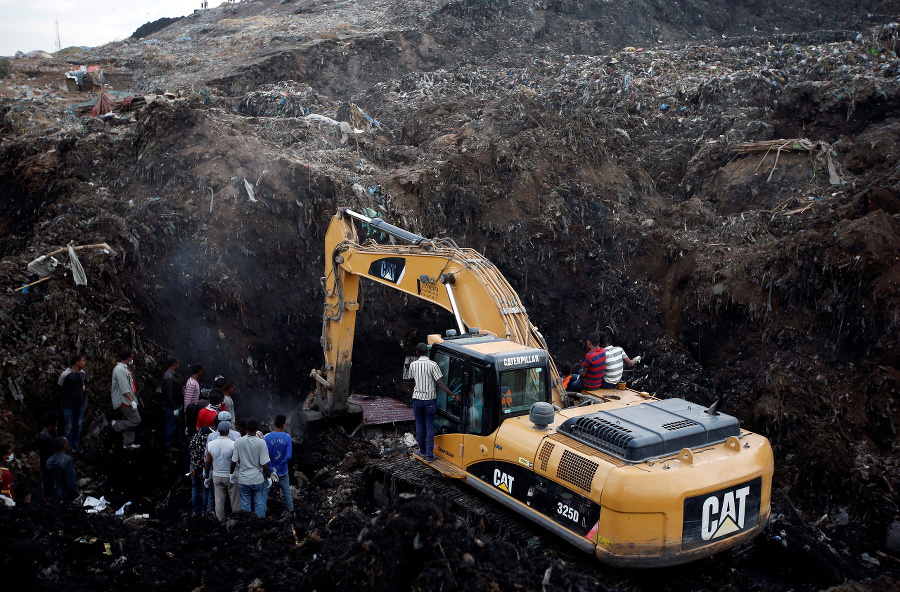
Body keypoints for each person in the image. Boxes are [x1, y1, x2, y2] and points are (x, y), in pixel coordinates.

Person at [409, 343, 455, 462]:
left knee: (419, 425)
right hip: (429, 401)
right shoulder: (433, 365)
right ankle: (429, 456)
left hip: (417, 400)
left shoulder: (413, 364)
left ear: (417, 352)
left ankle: (422, 450)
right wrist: (453, 395)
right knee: (429, 426)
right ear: (428, 352)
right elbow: (440, 383)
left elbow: (411, 379)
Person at [230, 418, 273, 518]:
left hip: (243, 480)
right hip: (257, 480)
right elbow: (264, 463)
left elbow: (233, 460)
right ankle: (260, 524)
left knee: (245, 505)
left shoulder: (238, 442)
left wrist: (231, 473)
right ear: (257, 428)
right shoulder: (261, 443)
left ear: (246, 428)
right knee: (259, 503)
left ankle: (247, 526)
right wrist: (269, 477)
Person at [205, 421, 239, 521]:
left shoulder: (211, 444)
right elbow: (235, 461)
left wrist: (206, 475)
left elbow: (208, 462)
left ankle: (220, 521)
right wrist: (233, 473)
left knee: (219, 501)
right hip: (230, 476)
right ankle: (237, 520)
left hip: (217, 475)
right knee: (235, 500)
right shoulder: (233, 444)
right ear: (228, 430)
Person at [110, 347, 141, 449]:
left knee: (129, 420)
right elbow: (124, 388)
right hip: (125, 401)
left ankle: (127, 443)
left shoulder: (124, 369)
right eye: (132, 357)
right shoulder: (119, 370)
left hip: (128, 399)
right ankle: (116, 425)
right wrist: (132, 401)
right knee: (136, 420)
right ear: (129, 357)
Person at [264, 414, 293, 515]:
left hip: (269, 472)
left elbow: (265, 456)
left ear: (274, 423)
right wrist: (278, 468)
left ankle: (263, 516)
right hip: (283, 471)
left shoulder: (266, 437)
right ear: (283, 425)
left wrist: (271, 470)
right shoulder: (287, 437)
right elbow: (288, 456)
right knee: (287, 493)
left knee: (265, 493)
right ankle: (292, 513)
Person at [58, 354, 87, 450]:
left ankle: (76, 443)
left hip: (79, 404)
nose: (84, 362)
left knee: (79, 425)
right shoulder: (66, 374)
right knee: (68, 427)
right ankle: (67, 446)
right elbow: (60, 386)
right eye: (82, 361)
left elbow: (83, 386)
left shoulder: (82, 373)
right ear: (77, 362)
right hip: (68, 405)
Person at [188, 426, 213, 516]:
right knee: (205, 489)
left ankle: (195, 511)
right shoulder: (208, 443)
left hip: (193, 466)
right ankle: (204, 512)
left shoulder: (194, 440)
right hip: (203, 468)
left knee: (195, 489)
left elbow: (190, 453)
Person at [161, 356, 183, 451]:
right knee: (171, 425)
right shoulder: (169, 377)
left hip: (175, 405)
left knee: (177, 424)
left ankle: (178, 442)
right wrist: (174, 407)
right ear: (174, 364)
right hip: (170, 407)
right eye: (177, 363)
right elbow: (169, 395)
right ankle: (168, 444)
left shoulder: (173, 375)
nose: (178, 365)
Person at [34, 414, 58, 498]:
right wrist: (56, 433)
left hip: (42, 463)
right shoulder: (48, 438)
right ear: (51, 426)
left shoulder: (38, 436)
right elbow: (55, 450)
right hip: (49, 464)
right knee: (49, 484)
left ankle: (44, 497)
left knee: (44, 483)